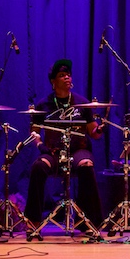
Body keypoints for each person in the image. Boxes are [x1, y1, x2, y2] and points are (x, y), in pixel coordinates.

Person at [24, 58, 103, 237]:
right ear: (53, 82)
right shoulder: (43, 105)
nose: (67, 77)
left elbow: (94, 133)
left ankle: (88, 222)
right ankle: (34, 221)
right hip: (53, 151)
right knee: (38, 167)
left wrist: (100, 129)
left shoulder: (82, 103)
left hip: (78, 150)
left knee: (86, 165)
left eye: (68, 74)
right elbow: (34, 133)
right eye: (62, 75)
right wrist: (41, 146)